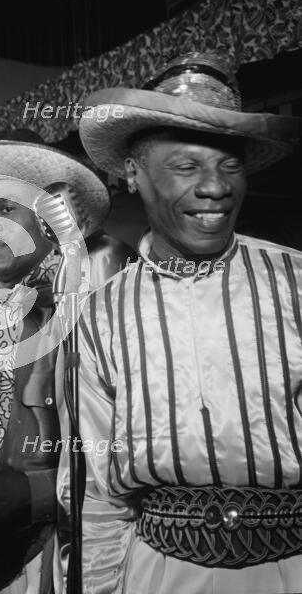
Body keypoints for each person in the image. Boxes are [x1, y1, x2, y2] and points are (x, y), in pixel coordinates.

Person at [73, 52, 302, 593]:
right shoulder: (101, 312)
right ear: (133, 172)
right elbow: (99, 492)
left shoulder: (296, 284)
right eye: (186, 167)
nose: (216, 188)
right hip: (161, 573)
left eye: (229, 165)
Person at [0, 132, 133, 593]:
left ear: (45, 220)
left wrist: (37, 493)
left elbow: (127, 427)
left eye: (6, 209)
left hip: (57, 541)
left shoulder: (91, 282)